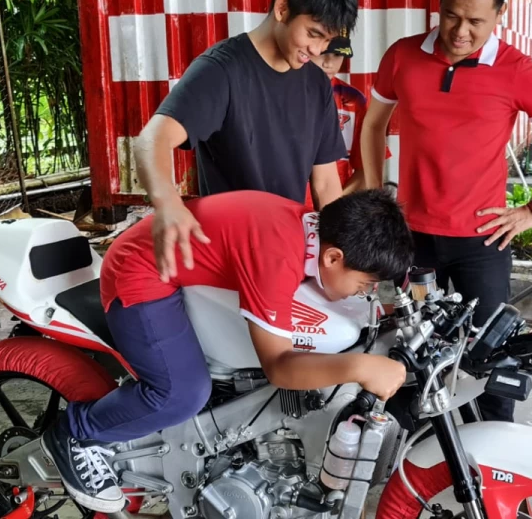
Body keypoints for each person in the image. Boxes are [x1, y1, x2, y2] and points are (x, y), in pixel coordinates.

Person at [40, 189, 413, 512]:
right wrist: (361, 367)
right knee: (181, 393)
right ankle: (76, 432)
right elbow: (280, 368)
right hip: (141, 272)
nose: (362, 294)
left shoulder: (317, 229)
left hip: (180, 262)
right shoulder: (277, 255)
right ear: (333, 258)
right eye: (365, 284)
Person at [359, 0, 532, 423]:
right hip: (412, 243)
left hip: (482, 243)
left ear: (499, 15)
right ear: (439, 5)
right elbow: (372, 126)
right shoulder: (403, 56)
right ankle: (418, 463)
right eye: (451, 15)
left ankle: (492, 463)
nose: (460, 31)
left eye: (476, 21)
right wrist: (373, 197)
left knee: (491, 359)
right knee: (408, 354)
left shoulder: (515, 70)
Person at [133, 0, 357, 284]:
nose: (317, 50)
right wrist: (168, 203)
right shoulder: (221, 70)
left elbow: (325, 184)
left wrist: (342, 252)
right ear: (282, 9)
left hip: (283, 252)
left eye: (327, 41)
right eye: (312, 34)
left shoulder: (316, 85)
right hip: (229, 255)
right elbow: (152, 140)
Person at [302, 32, 392, 210]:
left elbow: (366, 168)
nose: (329, 63)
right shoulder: (280, 95)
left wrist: (335, 208)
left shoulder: (352, 100)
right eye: (323, 53)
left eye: (337, 55)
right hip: (286, 210)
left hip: (334, 212)